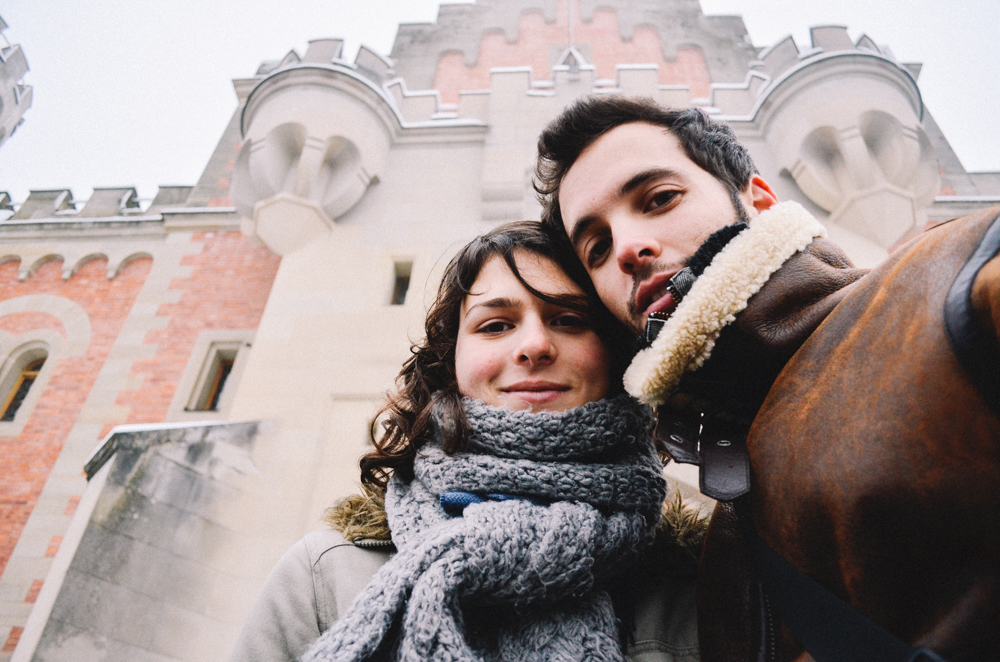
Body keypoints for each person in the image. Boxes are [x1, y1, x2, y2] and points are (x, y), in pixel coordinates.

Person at [229, 221, 705, 662]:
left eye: (568, 319)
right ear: (451, 362)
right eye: (495, 325)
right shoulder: (325, 573)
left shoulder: (702, 574)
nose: (534, 345)